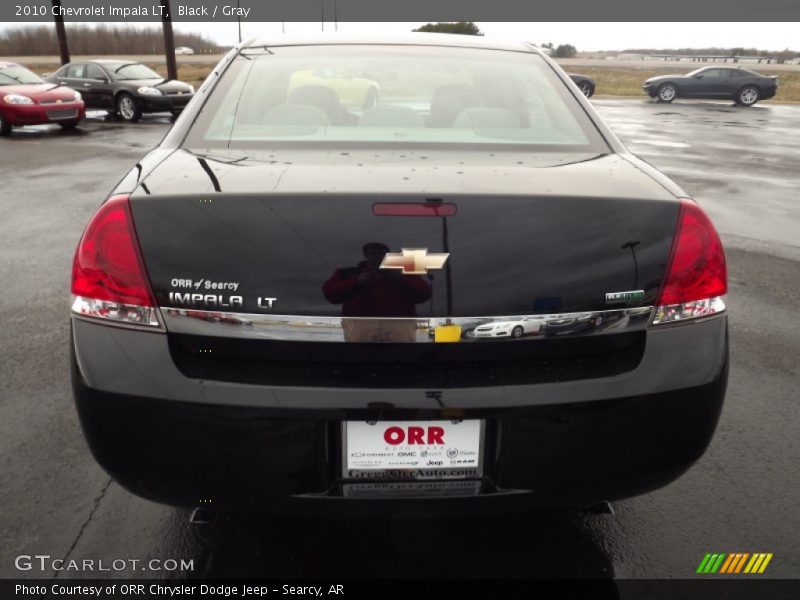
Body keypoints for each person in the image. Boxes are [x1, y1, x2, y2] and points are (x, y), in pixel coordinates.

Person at [322, 242, 432, 342]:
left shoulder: (403, 273)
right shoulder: (347, 273)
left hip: (399, 325)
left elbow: (424, 294)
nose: (377, 256)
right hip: (358, 325)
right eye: (372, 253)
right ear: (366, 256)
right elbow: (330, 294)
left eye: (381, 253)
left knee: (402, 358)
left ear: (387, 256)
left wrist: (400, 278)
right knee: (357, 358)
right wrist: (356, 282)